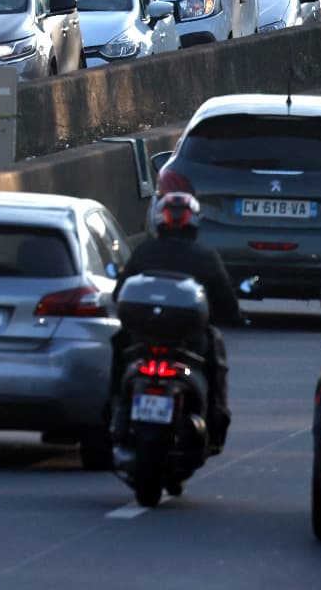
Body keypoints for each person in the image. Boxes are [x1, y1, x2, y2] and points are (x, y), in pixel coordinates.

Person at [114, 192, 235, 450]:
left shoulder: (144, 251)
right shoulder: (205, 256)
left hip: (144, 338)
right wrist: (236, 316)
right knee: (215, 359)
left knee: (117, 348)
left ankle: (110, 410)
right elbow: (227, 302)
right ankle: (215, 422)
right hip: (187, 342)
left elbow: (118, 294)